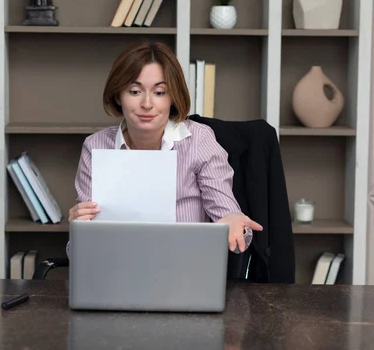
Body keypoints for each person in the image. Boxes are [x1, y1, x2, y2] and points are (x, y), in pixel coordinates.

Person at [67, 40, 262, 257]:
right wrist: (79, 229)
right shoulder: (95, 146)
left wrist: (233, 222)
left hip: (184, 270)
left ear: (172, 98)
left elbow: (234, 226)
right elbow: (80, 252)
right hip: (118, 269)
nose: (147, 103)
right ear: (117, 96)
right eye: (134, 91)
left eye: (159, 92)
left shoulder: (198, 140)